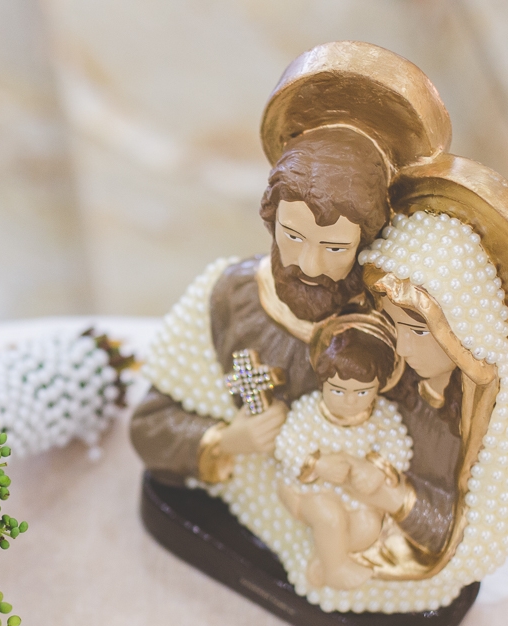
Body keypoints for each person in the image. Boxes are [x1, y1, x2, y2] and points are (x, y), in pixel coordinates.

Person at [129, 126, 390, 486]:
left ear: (365, 244)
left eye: (334, 248)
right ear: (271, 221)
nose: (309, 266)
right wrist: (226, 441)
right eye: (293, 237)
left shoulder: (378, 330)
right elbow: (149, 427)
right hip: (242, 498)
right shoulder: (230, 294)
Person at [273, 311, 411, 590]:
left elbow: (397, 445)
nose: (349, 401)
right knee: (330, 517)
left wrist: (376, 467)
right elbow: (287, 445)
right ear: (323, 383)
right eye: (337, 391)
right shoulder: (310, 412)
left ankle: (323, 561)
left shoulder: (382, 417)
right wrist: (318, 464)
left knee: (367, 529)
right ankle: (336, 571)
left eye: (361, 393)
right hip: (306, 490)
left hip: (353, 495)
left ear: (378, 387)